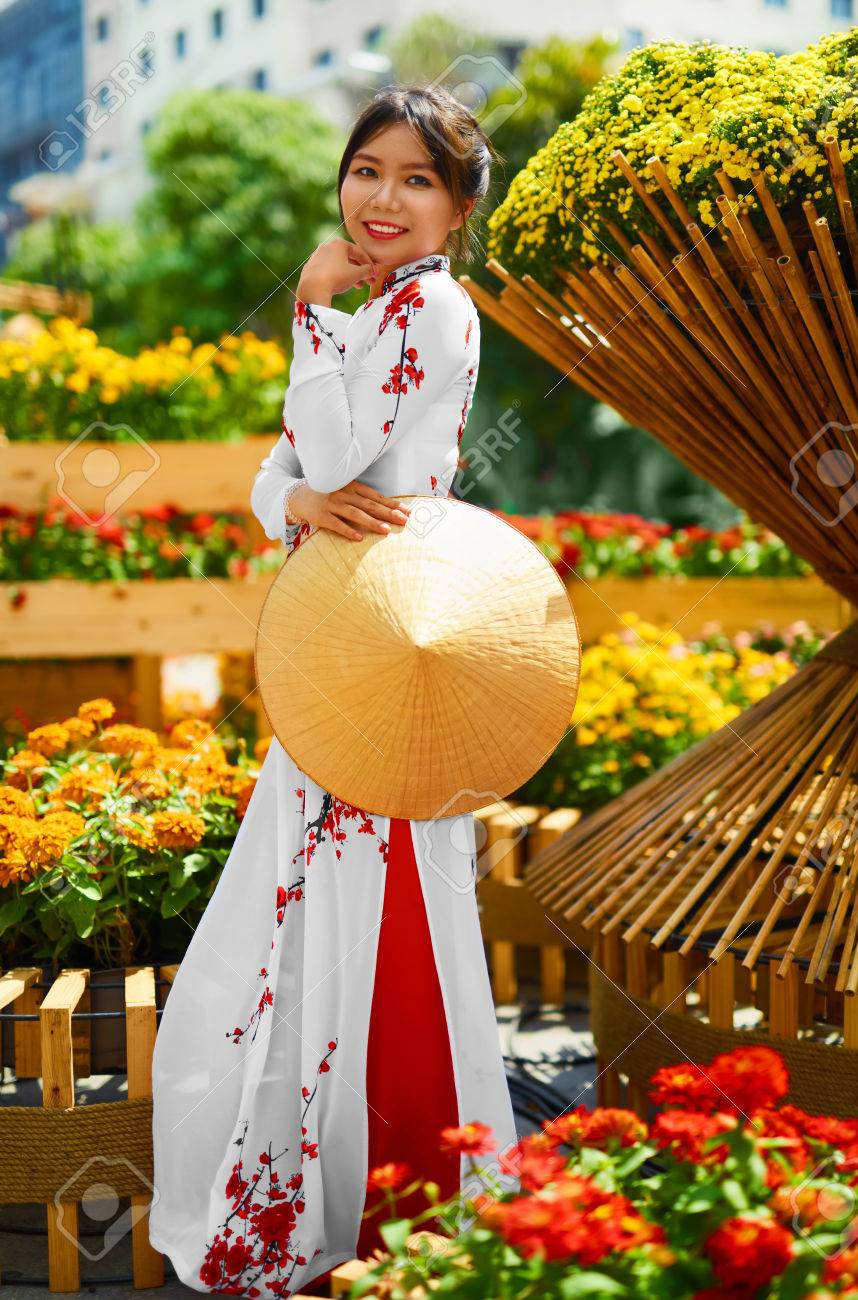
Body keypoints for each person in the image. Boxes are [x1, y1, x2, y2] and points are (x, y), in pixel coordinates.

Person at [148, 84, 518, 1298]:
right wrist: (295, 501)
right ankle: (357, 1184)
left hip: (389, 646)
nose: (384, 199)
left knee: (388, 895)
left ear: (458, 210)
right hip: (341, 640)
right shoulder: (384, 309)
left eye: (418, 180)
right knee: (319, 895)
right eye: (369, 171)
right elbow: (286, 468)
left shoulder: (425, 308)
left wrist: (308, 311)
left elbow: (343, 445)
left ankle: (401, 1187)